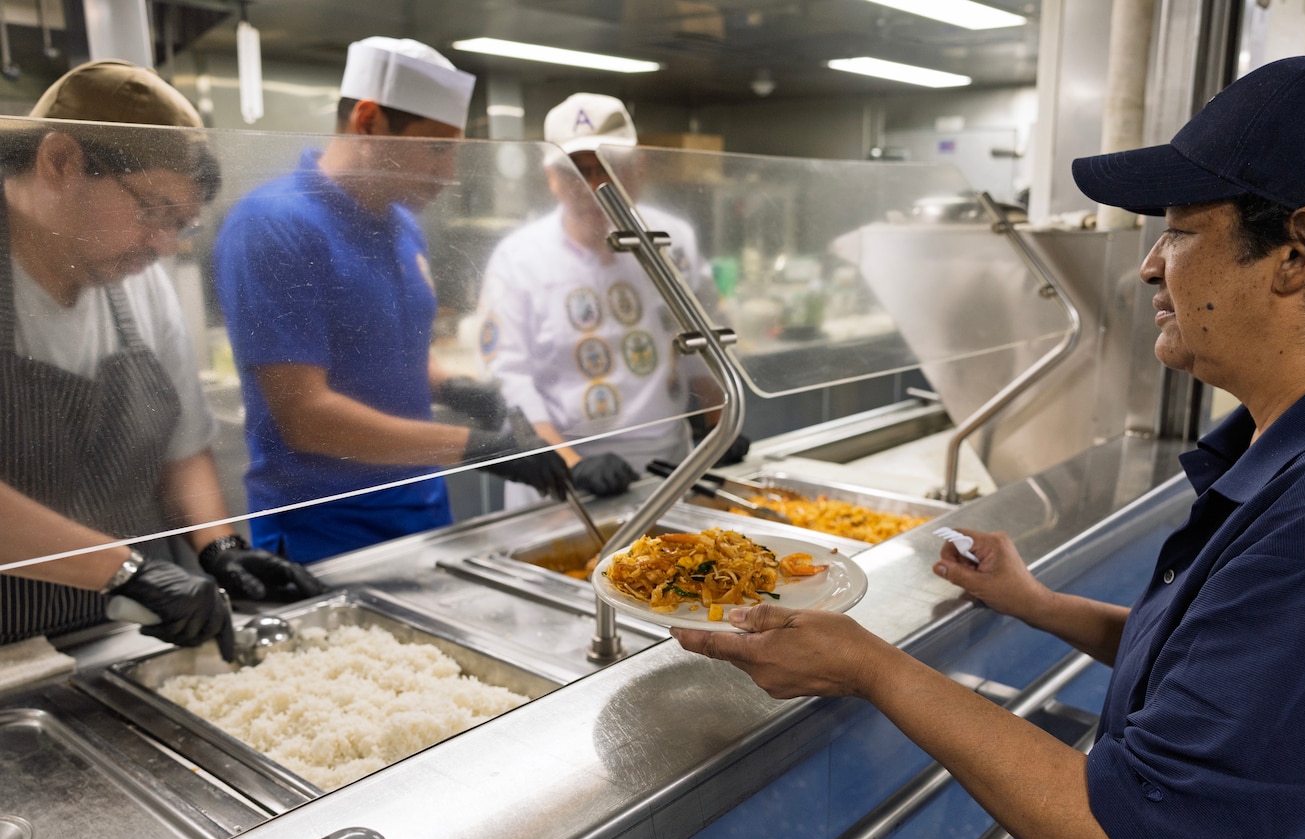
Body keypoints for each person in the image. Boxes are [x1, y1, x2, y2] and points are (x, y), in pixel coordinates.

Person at [676, 54, 1305, 839]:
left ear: (1299, 249)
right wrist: (1040, 604)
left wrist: (872, 667)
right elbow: (1254, 681)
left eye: (1180, 232)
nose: (1149, 266)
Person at [0, 60, 322, 659]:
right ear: (60, 163)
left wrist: (218, 548)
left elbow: (182, 446)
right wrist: (123, 571)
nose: (166, 245)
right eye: (153, 210)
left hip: (119, 633)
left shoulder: (136, 276)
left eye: (181, 224)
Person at [213, 37, 570, 562]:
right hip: (325, 527)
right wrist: (475, 448)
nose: (449, 175)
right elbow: (305, 415)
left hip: (423, 508)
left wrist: (466, 392)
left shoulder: (402, 225)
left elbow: (397, 347)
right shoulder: (275, 225)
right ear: (368, 122)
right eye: (436, 149)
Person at [472, 92, 747, 507]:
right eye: (575, 172)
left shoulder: (673, 240)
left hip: (665, 467)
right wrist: (571, 462)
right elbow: (509, 380)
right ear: (551, 177)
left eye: (609, 168)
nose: (592, 186)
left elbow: (701, 347)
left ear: (638, 169)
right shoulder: (519, 258)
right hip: (559, 478)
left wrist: (715, 426)